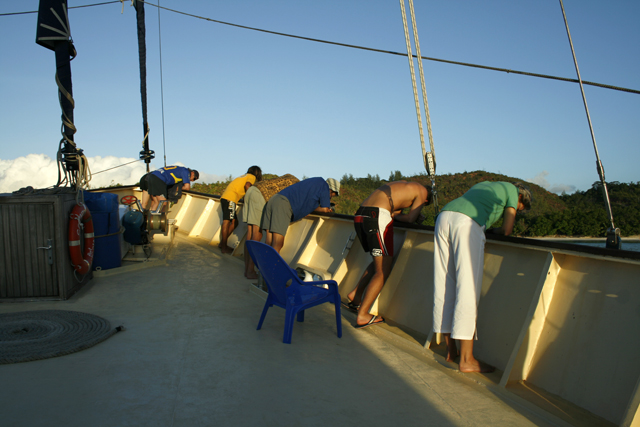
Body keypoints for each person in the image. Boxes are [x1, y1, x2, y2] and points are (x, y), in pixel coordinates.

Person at [432, 181, 532, 373]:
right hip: (466, 224)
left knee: (445, 284)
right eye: (519, 209)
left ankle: (450, 351)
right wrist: (495, 230)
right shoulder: (512, 190)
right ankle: (467, 359)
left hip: (444, 218)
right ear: (522, 198)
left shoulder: (485, 184)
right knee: (467, 288)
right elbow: (507, 229)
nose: (516, 211)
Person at [346, 181, 432, 329]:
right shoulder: (422, 192)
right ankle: (363, 315)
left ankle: (356, 296)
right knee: (383, 271)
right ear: (426, 200)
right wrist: (413, 215)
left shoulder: (403, 186)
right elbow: (410, 219)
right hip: (377, 216)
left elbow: (395, 211)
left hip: (361, 215)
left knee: (379, 262)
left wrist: (397, 215)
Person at [260, 177, 340, 254]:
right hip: (283, 204)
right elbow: (325, 209)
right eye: (333, 195)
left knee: (268, 242)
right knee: (277, 244)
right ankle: (273, 267)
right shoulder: (324, 186)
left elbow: (305, 201)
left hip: (274, 200)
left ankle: (263, 267)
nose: (331, 197)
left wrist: (308, 209)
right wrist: (321, 209)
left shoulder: (315, 183)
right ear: (331, 190)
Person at [242, 173, 300, 279]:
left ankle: (247, 269)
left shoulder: (290, 178)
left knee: (250, 233)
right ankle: (250, 270)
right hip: (261, 195)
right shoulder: (298, 187)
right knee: (256, 234)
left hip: (252, 190)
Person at [219, 166, 262, 254]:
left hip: (226, 197)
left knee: (235, 222)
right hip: (230, 199)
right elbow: (247, 185)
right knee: (227, 221)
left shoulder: (243, 176)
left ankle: (222, 243)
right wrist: (249, 198)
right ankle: (223, 247)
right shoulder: (252, 177)